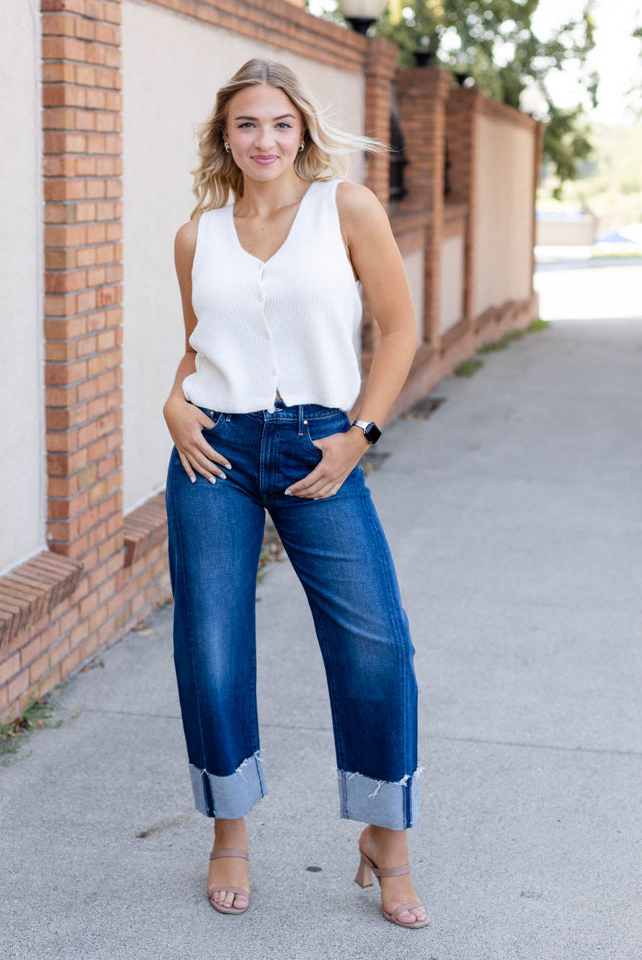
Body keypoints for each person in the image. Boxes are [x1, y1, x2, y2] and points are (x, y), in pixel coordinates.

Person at [163, 58, 428, 929]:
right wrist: (173, 399)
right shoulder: (198, 233)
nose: (265, 140)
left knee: (376, 643)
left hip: (321, 442)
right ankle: (229, 830)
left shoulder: (345, 209)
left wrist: (361, 436)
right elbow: (201, 342)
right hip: (216, 449)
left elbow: (398, 330)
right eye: (247, 125)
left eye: (280, 123)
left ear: (302, 130)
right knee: (211, 645)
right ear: (224, 137)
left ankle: (384, 836)